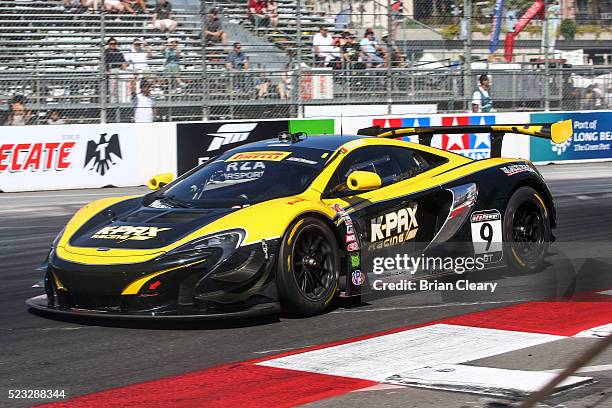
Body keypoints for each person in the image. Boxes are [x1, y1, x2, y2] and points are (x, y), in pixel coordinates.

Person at [104, 38, 128, 102]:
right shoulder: (105, 52)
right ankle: (113, 104)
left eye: (114, 43)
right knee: (112, 90)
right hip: (111, 71)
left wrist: (125, 70)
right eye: (111, 44)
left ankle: (120, 103)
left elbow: (123, 63)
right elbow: (103, 63)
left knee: (120, 89)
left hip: (119, 71)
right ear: (108, 44)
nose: (113, 45)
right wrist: (106, 71)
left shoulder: (118, 52)